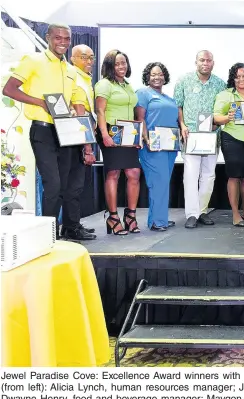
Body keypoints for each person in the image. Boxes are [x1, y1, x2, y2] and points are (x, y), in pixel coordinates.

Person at [2, 23, 96, 241]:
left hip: (66, 132)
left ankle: (60, 229)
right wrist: (40, 103)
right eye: (58, 38)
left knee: (64, 186)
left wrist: (84, 136)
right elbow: (9, 89)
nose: (62, 42)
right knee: (52, 185)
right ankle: (47, 235)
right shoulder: (33, 60)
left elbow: (77, 101)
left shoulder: (71, 70)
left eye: (66, 38)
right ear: (48, 37)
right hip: (42, 130)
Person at [174, 50, 226, 229]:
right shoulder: (184, 81)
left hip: (212, 136)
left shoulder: (220, 84)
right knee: (190, 175)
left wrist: (217, 125)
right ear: (195, 62)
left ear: (213, 63)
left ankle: (202, 210)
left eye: (208, 60)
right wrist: (182, 125)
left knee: (209, 175)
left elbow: (222, 110)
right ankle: (192, 214)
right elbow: (178, 106)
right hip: (191, 135)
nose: (205, 63)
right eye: (202, 60)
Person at [95, 49, 142, 235]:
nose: (122, 66)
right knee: (113, 173)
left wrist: (136, 136)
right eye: (117, 63)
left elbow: (133, 113)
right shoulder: (104, 84)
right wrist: (105, 134)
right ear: (109, 66)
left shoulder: (128, 86)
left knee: (134, 173)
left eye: (124, 63)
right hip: (111, 130)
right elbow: (100, 111)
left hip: (128, 133)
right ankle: (113, 217)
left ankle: (130, 216)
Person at [135, 62, 179, 231]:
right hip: (153, 146)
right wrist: (147, 140)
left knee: (163, 183)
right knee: (157, 183)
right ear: (147, 76)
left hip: (170, 147)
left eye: (160, 74)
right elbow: (140, 119)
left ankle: (159, 218)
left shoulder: (169, 99)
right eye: (153, 74)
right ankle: (157, 222)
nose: (157, 77)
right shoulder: (143, 93)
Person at [214, 62, 244, 226]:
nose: (241, 79)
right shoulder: (226, 95)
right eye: (238, 76)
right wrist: (228, 117)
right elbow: (216, 117)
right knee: (234, 176)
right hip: (231, 137)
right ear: (233, 78)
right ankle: (235, 214)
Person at [68, 43, 98, 236]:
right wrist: (87, 148)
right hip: (77, 135)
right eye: (84, 57)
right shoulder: (74, 77)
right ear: (73, 59)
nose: (89, 61)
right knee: (74, 184)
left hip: (80, 133)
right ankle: (71, 227)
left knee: (76, 184)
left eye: (91, 57)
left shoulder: (85, 78)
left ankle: (72, 224)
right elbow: (80, 113)